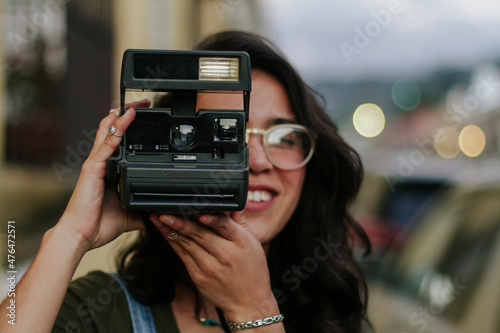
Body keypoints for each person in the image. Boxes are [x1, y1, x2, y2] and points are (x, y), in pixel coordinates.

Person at [1, 31, 371, 333]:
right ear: (169, 140)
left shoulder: (333, 311)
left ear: (311, 164)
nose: (255, 161)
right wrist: (69, 235)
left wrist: (254, 310)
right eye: (226, 132)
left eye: (284, 137)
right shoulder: (103, 309)